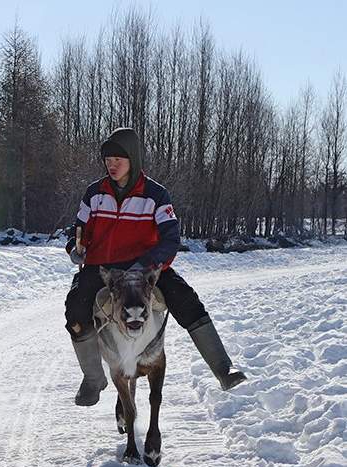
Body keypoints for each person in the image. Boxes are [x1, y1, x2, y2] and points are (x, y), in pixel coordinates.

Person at [65, 127, 246, 406]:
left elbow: (170, 238)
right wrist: (75, 248)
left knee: (185, 298)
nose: (112, 165)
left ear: (133, 160)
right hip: (102, 268)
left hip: (143, 267)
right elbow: (79, 230)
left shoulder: (155, 195)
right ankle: (93, 378)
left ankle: (223, 368)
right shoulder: (94, 193)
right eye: (108, 160)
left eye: (118, 160)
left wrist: (146, 266)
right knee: (75, 309)